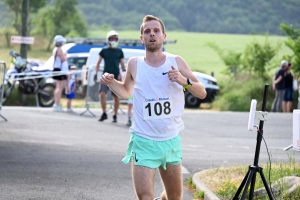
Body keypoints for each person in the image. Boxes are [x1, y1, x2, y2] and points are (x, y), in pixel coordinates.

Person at [100, 15, 206, 200]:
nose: (152, 34)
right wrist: (111, 83)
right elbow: (125, 92)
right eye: (147, 31)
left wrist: (183, 81)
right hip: (143, 140)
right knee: (144, 196)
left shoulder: (176, 61)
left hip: (170, 140)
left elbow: (202, 92)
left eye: (156, 31)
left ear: (163, 36)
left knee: (174, 197)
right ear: (142, 38)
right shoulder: (135, 64)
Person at [94, 30, 126, 122]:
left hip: (115, 76)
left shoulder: (119, 51)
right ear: (108, 40)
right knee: (102, 93)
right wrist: (96, 74)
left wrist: (125, 74)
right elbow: (98, 63)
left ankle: (115, 115)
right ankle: (104, 113)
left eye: (115, 39)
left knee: (116, 97)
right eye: (111, 39)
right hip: (105, 76)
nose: (113, 40)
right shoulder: (104, 51)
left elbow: (123, 65)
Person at [52, 35, 69, 112]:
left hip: (56, 69)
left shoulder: (55, 49)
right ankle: (57, 104)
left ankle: (56, 103)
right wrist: (65, 55)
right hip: (60, 70)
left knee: (57, 87)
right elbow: (63, 59)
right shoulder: (59, 50)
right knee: (60, 87)